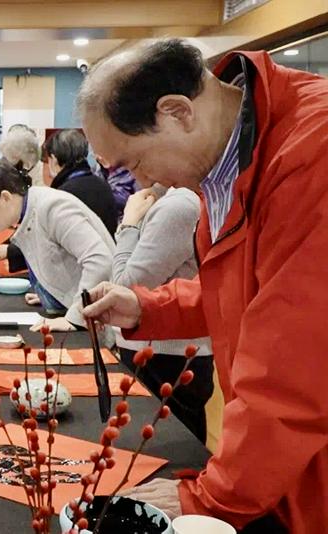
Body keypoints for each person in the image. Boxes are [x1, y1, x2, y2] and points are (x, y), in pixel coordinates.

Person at [78, 38, 328, 533]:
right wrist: (144, 308)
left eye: (132, 163)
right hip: (281, 456)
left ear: (176, 112)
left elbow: (293, 362)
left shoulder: (311, 155)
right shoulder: (224, 165)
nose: (138, 181)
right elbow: (248, 287)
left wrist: (212, 497)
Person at [111, 185, 214, 443]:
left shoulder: (178, 206)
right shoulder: (167, 202)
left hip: (168, 356)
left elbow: (123, 286)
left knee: (170, 455)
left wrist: (129, 225)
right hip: (160, 347)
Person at [0, 161, 114, 331]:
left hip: (106, 320)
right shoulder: (28, 212)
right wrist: (52, 292)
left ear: (5, 198)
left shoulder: (53, 208)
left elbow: (100, 260)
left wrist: (75, 318)